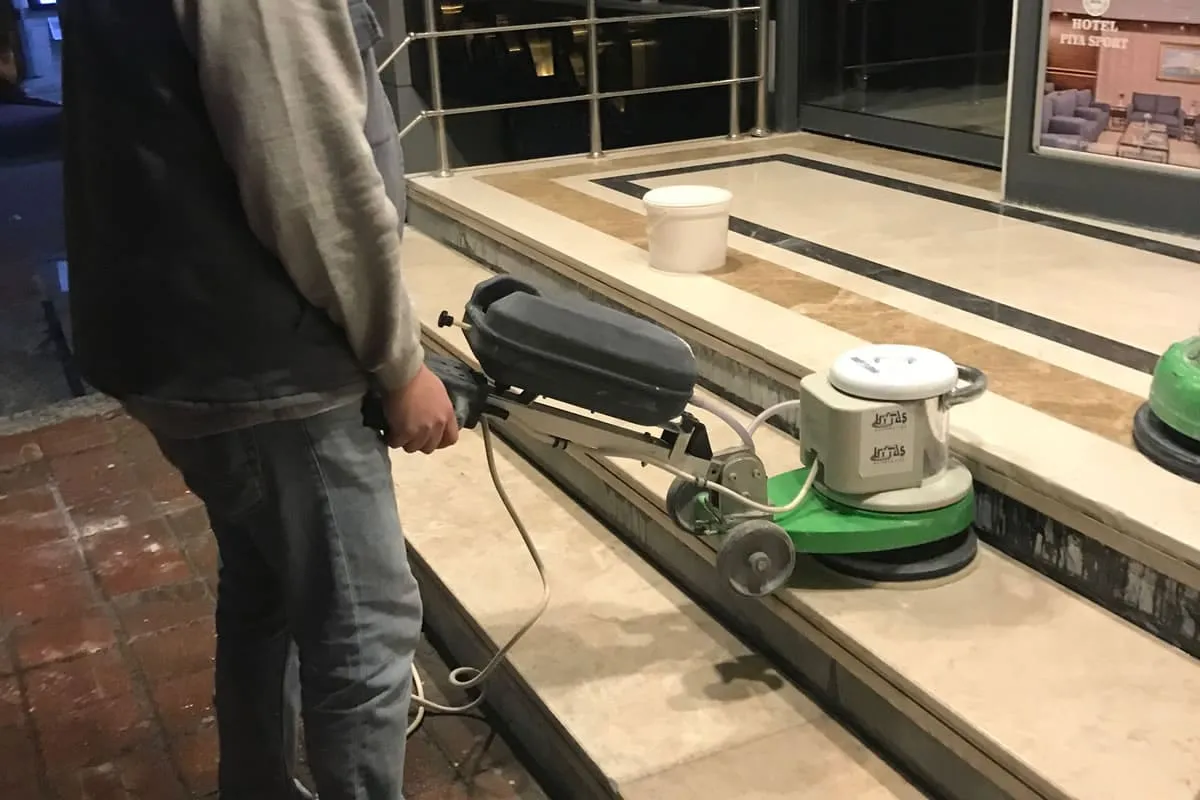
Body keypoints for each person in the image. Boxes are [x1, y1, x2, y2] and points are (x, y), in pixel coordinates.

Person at [61, 2, 459, 798]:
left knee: (266, 589)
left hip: (181, 345)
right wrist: (400, 366)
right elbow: (314, 187)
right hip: (266, 365)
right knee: (364, 633)